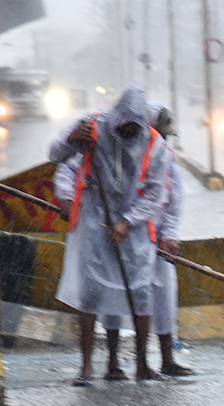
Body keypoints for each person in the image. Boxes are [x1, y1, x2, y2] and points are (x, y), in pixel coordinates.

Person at [49, 82, 170, 385]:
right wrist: (70, 139)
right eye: (125, 127)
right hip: (95, 221)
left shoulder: (154, 144)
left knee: (141, 294)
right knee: (90, 294)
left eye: (135, 128)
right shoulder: (93, 127)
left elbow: (154, 193)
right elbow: (56, 155)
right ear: (116, 118)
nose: (130, 133)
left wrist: (127, 222)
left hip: (135, 229)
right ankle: (86, 367)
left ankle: (143, 364)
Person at [98, 105, 194, 378]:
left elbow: (173, 201)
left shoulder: (166, 158)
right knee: (113, 293)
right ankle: (114, 363)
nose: (161, 139)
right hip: (120, 235)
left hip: (154, 238)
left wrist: (169, 236)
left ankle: (165, 359)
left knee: (163, 296)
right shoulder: (119, 155)